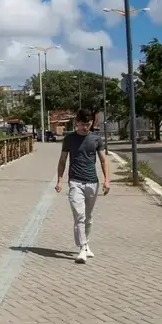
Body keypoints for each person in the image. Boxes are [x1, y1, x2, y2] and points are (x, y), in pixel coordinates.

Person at [54, 109, 111, 263]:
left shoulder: (96, 139)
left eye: (87, 124)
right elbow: (62, 161)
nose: (84, 127)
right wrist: (59, 180)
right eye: (81, 124)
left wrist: (107, 180)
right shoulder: (69, 139)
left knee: (88, 218)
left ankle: (86, 245)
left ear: (91, 123)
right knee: (79, 216)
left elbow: (103, 160)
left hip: (92, 182)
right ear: (76, 123)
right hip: (75, 182)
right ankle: (82, 248)